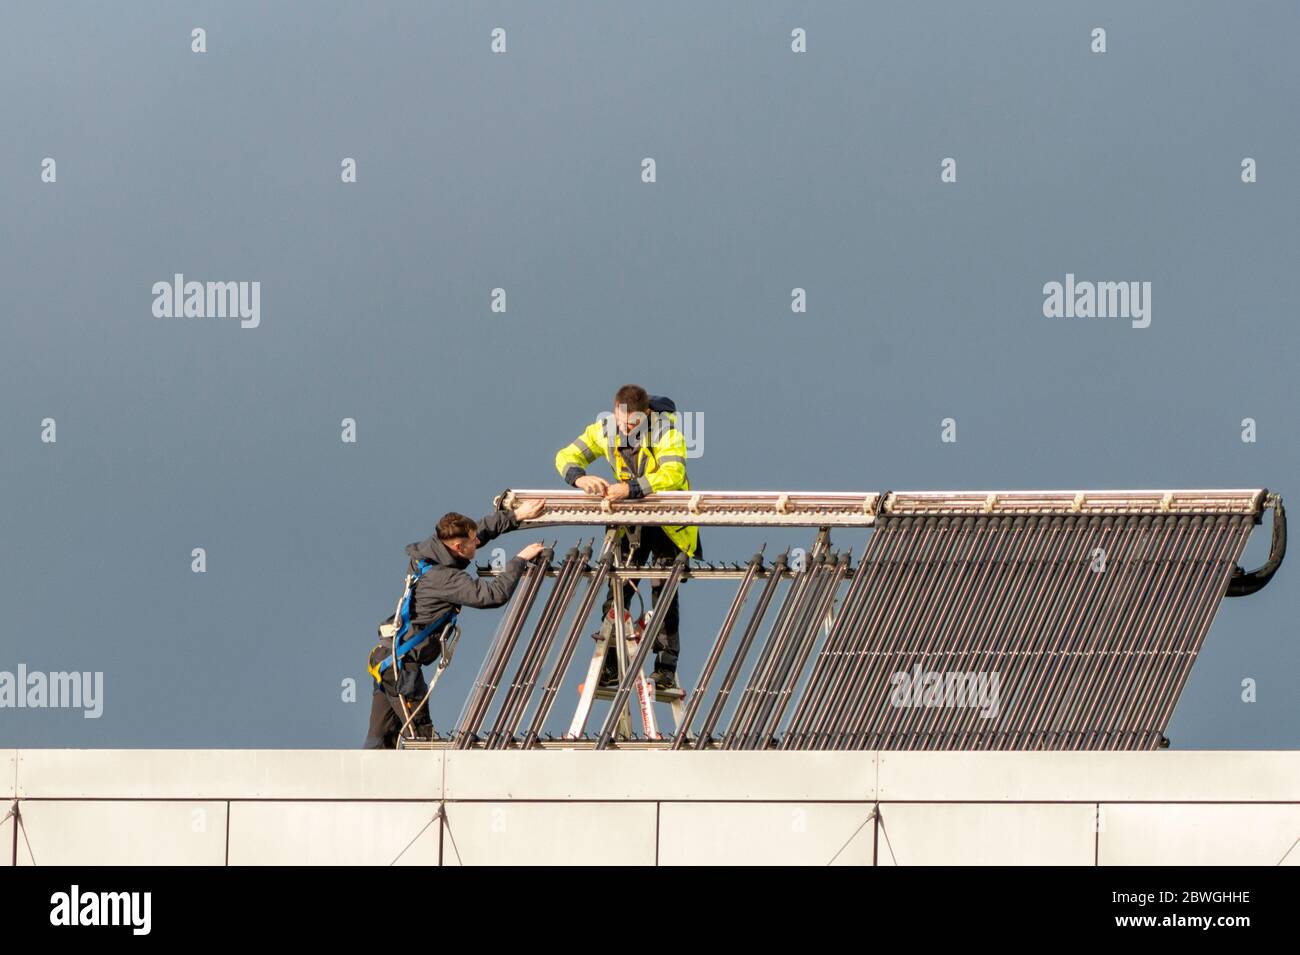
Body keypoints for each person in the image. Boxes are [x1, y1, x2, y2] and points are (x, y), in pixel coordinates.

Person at [363, 500, 544, 748]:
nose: (477, 544)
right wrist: (519, 560)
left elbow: (476, 532)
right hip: (401, 669)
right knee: (422, 741)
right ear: (458, 547)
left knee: (380, 741)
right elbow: (491, 596)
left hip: (388, 660)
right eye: (472, 543)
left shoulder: (430, 553)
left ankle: (376, 780)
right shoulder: (444, 578)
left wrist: (515, 516)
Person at [554, 384, 698, 689]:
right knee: (617, 590)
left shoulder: (668, 434)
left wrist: (630, 488)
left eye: (632, 424)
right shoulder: (603, 430)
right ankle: (610, 666)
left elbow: (672, 475)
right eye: (622, 423)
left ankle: (665, 669)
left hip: (667, 525)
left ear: (646, 415)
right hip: (627, 524)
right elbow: (565, 456)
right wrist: (580, 477)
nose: (626, 429)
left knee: (664, 592)